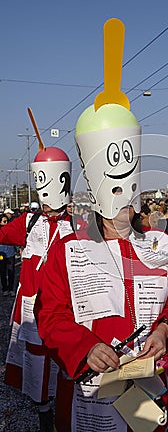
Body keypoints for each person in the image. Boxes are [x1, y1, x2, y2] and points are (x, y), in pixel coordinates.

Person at [34, 18, 168, 432]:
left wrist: (165, 331)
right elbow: (50, 317)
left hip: (147, 396)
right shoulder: (68, 250)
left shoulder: (161, 246)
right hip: (90, 396)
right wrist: (84, 347)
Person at [1, 115, 73, 431]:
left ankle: (62, 412)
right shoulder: (29, 223)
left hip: (62, 310)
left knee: (61, 364)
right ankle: (43, 413)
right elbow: (2, 234)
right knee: (35, 365)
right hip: (30, 309)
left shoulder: (79, 228)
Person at [0, 214, 17, 297]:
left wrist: (18, 249)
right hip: (1, 254)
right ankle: (5, 289)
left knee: (11, 272)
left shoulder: (11, 230)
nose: (6, 223)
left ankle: (11, 289)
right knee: (2, 272)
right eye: (4, 221)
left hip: (11, 253)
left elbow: (15, 239)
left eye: (7, 221)